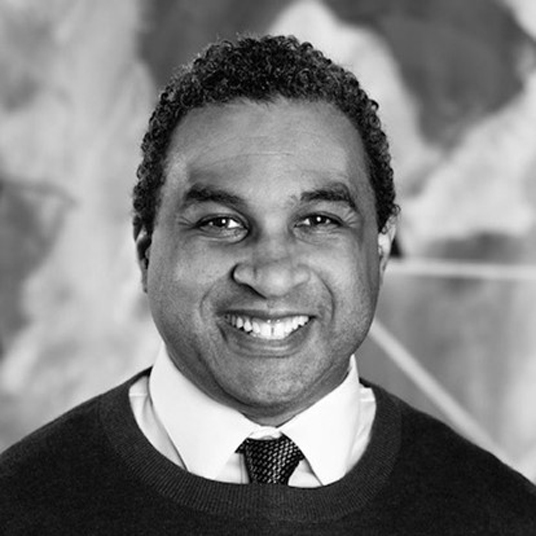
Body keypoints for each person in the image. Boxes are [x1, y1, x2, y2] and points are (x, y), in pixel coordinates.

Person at [1, 34, 535, 535]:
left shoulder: (506, 517)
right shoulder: (18, 506)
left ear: (379, 248)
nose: (272, 276)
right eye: (221, 223)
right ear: (146, 252)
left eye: (319, 220)